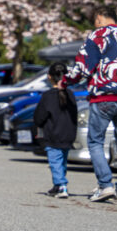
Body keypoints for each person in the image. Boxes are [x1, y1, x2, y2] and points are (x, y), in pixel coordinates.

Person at [63, 5, 117, 203]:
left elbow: (83, 67)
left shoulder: (98, 36)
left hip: (104, 96)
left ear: (99, 18)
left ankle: (106, 185)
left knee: (95, 142)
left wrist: (65, 81)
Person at [34, 62, 78, 199]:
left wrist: (38, 124)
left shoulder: (48, 96)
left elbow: (40, 116)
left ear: (49, 77)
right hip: (68, 133)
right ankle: (57, 185)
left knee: (55, 162)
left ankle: (61, 185)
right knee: (62, 162)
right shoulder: (70, 94)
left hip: (53, 133)